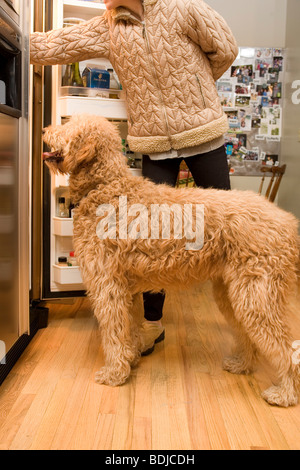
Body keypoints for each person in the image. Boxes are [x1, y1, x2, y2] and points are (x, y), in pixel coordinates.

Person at [30, 0, 238, 355]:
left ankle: (242, 321)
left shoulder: (182, 7)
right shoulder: (107, 26)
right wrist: (15, 35)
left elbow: (225, 49)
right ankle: (152, 324)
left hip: (204, 133)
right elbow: (56, 44)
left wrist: (196, 90)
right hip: (154, 143)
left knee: (229, 232)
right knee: (147, 239)